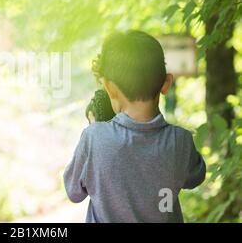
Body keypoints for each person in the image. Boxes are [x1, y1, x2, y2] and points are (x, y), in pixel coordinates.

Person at [64, 30, 206, 223]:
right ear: (166, 84)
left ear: (109, 87)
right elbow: (195, 176)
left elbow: (74, 191)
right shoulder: (180, 140)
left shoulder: (94, 138)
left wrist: (96, 127)